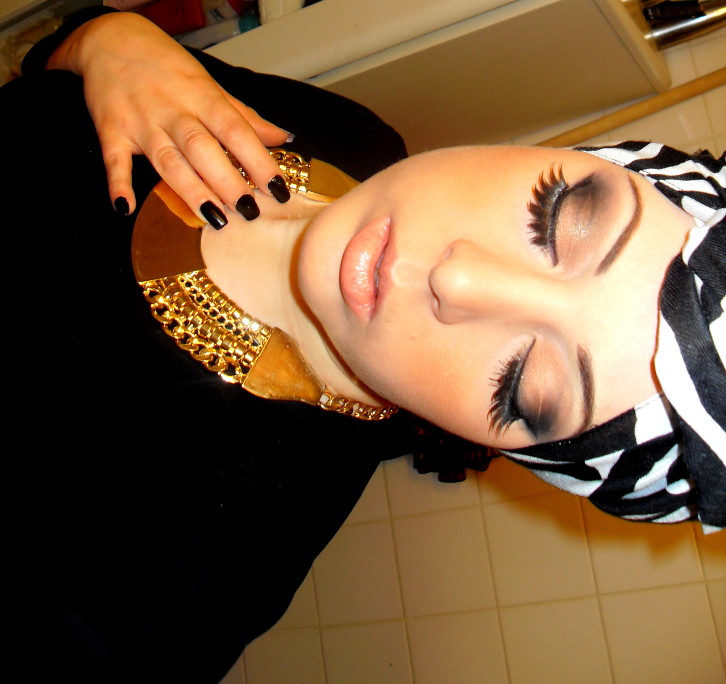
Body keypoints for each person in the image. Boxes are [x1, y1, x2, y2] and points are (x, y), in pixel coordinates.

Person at [4, 8, 723, 682]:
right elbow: (49, 64)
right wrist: (108, 40)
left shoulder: (202, 549)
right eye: (557, 212)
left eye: (522, 384)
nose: (459, 280)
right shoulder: (355, 140)